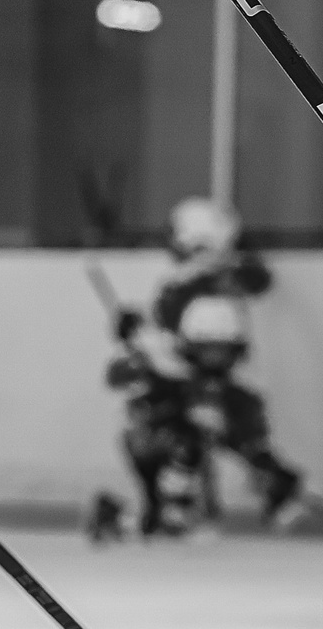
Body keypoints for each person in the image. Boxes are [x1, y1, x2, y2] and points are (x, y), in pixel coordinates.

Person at [91, 198, 309, 540]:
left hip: (209, 383)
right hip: (181, 385)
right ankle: (170, 507)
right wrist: (137, 333)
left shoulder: (208, 279)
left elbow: (256, 281)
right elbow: (161, 343)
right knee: (183, 433)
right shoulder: (187, 284)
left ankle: (264, 488)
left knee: (230, 426)